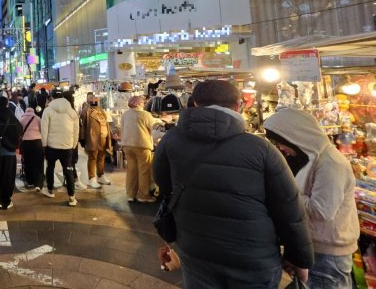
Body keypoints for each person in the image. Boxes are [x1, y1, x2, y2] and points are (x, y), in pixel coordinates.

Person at [153, 80, 313, 288]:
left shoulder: (170, 140)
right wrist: (299, 258)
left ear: (195, 104)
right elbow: (289, 207)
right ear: (238, 105)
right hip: (252, 255)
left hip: (195, 247)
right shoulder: (260, 148)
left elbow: (163, 185)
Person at [265, 108, 358, 289]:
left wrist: (284, 193)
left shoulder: (331, 163)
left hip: (328, 254)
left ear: (295, 136)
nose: (281, 148)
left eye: (282, 142)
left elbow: (321, 210)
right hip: (316, 247)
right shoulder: (312, 159)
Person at [40, 91, 79, 206]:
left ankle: (50, 190)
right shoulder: (71, 111)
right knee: (68, 170)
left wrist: (44, 144)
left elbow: (44, 129)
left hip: (51, 146)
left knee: (50, 167)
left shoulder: (48, 110)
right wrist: (73, 144)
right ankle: (72, 197)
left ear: (52, 97)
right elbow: (76, 129)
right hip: (67, 146)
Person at [119, 96, 157, 202]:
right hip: (142, 145)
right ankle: (143, 195)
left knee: (131, 170)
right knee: (144, 171)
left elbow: (121, 128)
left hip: (127, 145)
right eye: (142, 102)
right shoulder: (145, 115)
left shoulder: (125, 114)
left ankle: (131, 195)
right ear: (140, 103)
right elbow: (154, 130)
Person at [81, 94, 112, 189]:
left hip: (104, 137)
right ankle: (92, 178)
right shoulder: (87, 111)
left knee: (101, 156)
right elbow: (83, 123)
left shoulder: (101, 110)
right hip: (92, 137)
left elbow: (106, 122)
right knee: (92, 157)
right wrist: (82, 138)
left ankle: (100, 175)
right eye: (91, 100)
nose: (94, 101)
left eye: (95, 99)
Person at [19, 107, 43, 191]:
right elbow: (41, 130)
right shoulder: (37, 118)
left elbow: (20, 132)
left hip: (26, 143)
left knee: (28, 162)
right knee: (38, 162)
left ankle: (30, 181)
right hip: (37, 142)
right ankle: (38, 184)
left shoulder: (21, 119)